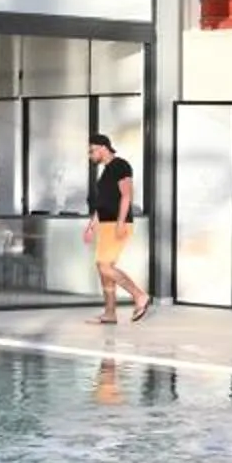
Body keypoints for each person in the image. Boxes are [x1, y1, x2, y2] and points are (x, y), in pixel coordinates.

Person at [85, 132, 148, 324]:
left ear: (103, 147)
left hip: (117, 223)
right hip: (105, 224)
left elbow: (127, 195)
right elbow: (102, 202)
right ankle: (110, 313)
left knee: (104, 265)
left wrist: (121, 222)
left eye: (92, 150)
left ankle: (139, 295)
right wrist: (91, 225)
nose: (90, 155)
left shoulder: (120, 165)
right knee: (104, 267)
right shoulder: (106, 171)